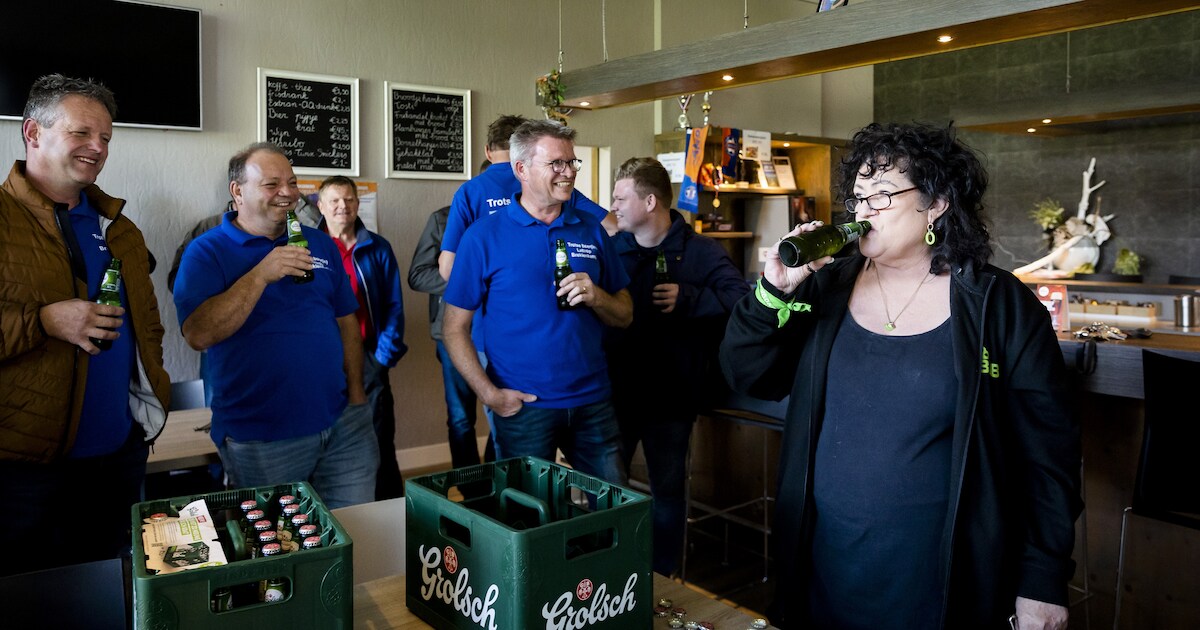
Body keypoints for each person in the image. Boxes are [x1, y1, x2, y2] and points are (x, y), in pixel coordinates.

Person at [720, 122, 1081, 629]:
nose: (863, 210)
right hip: (825, 565)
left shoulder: (997, 305)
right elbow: (748, 374)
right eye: (858, 196)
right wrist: (774, 291)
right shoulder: (824, 288)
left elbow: (1050, 455)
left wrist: (1042, 580)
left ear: (937, 204)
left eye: (883, 195)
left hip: (944, 579)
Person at [0, 74, 170, 576]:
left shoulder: (120, 228)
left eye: (106, 138)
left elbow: (149, 328)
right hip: (21, 475)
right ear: (34, 133)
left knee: (104, 596)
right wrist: (42, 321)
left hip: (116, 459)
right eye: (82, 133)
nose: (98, 148)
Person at [173, 142, 377, 509]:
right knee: (282, 549)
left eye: (292, 182)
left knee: (357, 531)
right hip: (262, 439)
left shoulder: (320, 243)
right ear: (237, 191)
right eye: (271, 184)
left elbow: (346, 320)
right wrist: (261, 274)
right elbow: (198, 334)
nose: (287, 193)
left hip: (344, 424)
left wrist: (358, 396)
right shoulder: (205, 251)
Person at [443, 120, 632, 486]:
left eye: (571, 163)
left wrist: (598, 297)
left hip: (593, 402)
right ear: (521, 170)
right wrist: (490, 394)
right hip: (523, 407)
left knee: (615, 516)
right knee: (525, 520)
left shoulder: (591, 229)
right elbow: (454, 328)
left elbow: (625, 314)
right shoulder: (483, 236)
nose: (568, 172)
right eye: (556, 164)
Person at [606, 157, 750, 576]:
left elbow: (741, 299)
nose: (612, 205)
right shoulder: (612, 249)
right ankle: (613, 576)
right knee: (609, 492)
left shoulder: (702, 251)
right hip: (614, 392)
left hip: (672, 396)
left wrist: (689, 298)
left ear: (650, 201)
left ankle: (666, 581)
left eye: (620, 197)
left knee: (667, 492)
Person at [167, 194, 321, 406]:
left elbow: (319, 223)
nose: (279, 191)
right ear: (238, 190)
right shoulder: (208, 229)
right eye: (268, 184)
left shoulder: (286, 225)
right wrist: (234, 288)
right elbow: (176, 282)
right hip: (220, 343)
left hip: (274, 345)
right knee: (217, 409)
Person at [437, 113, 614, 282]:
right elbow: (613, 226)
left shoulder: (469, 191)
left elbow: (447, 268)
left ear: (487, 151)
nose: (567, 171)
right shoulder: (558, 186)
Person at [315, 175, 408, 500]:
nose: (343, 206)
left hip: (369, 358)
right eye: (335, 200)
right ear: (321, 205)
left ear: (357, 203)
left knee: (379, 439)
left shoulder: (377, 248)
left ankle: (390, 514)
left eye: (349, 200)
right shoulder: (308, 247)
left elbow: (394, 306)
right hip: (321, 362)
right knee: (323, 439)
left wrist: (382, 358)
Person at [408, 204, 495, 469]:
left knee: (504, 411)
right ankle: (470, 489)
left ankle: (499, 477)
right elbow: (418, 275)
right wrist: (468, 281)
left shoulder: (514, 219)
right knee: (460, 416)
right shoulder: (442, 218)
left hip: (499, 333)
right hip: (453, 333)